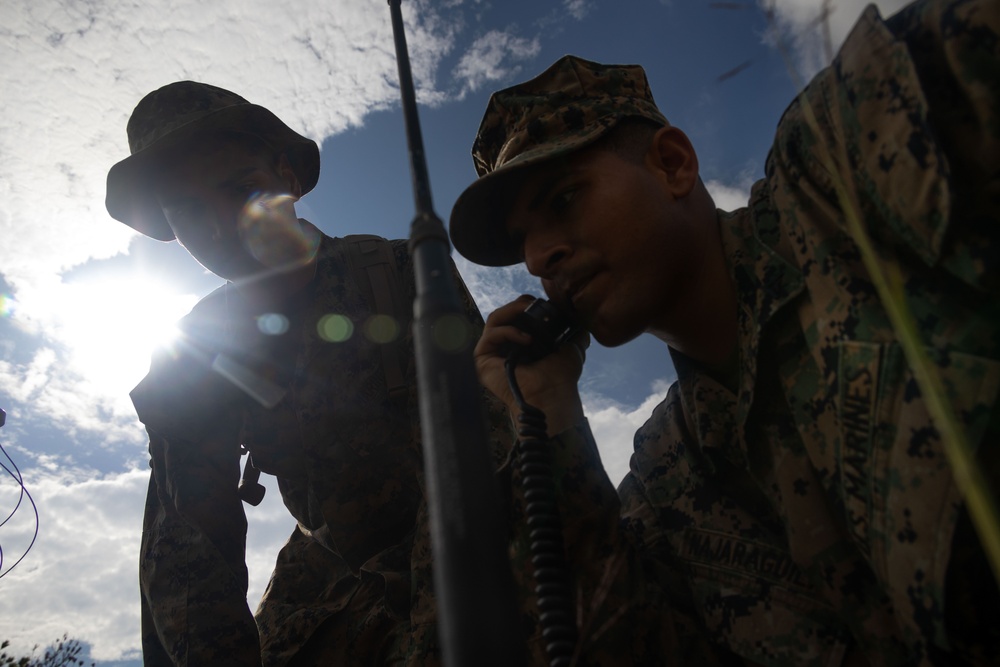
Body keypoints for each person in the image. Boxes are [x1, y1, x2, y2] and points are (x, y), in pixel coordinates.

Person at [448, 0, 1000, 664]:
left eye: (563, 199)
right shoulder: (668, 475)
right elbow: (623, 646)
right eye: (523, 243)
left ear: (672, 164)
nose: (538, 259)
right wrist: (549, 421)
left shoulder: (843, 167)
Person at [105, 81, 510, 666]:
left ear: (288, 177)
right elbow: (188, 555)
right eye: (188, 212)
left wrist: (426, 637)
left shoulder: (401, 273)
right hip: (332, 576)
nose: (222, 228)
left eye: (241, 190)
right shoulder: (192, 354)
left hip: (479, 542)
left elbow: (487, 452)